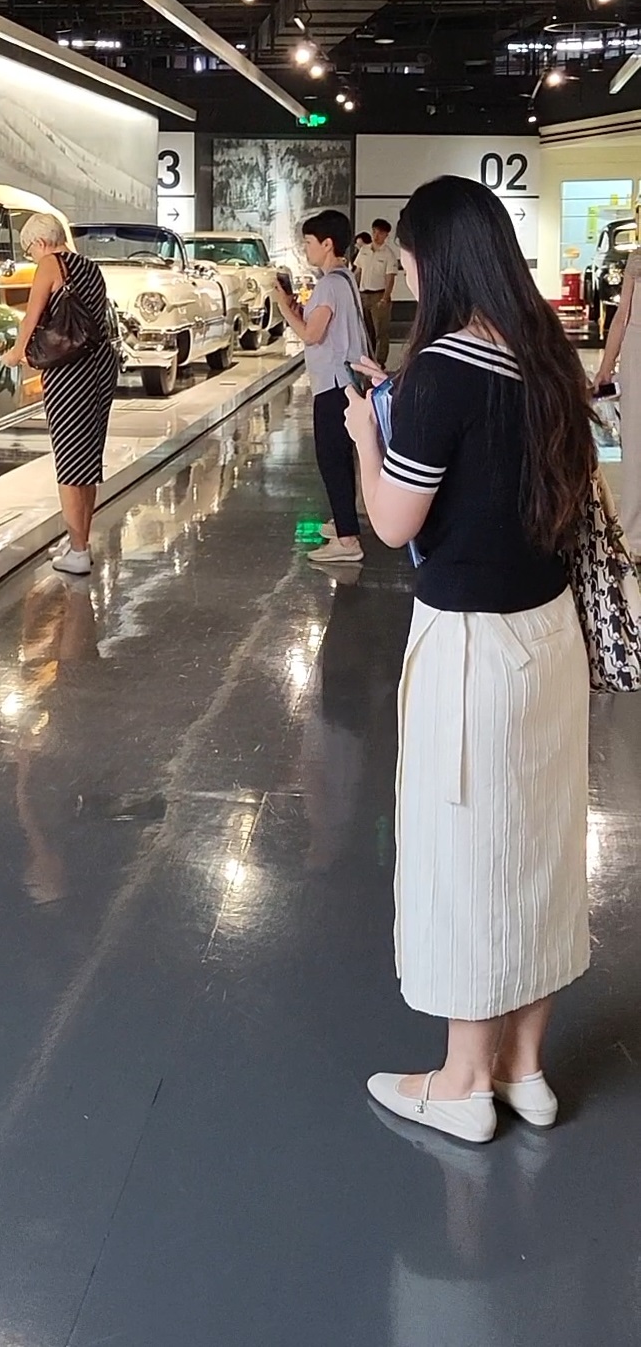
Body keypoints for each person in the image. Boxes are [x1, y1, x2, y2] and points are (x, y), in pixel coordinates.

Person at [344, 175, 594, 1144]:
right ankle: (523, 1068)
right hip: (550, 637)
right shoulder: (547, 358)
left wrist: (368, 437)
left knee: (463, 855)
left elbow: (393, 520)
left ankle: (459, 1084)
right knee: (540, 846)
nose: (406, 273)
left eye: (408, 256)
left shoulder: (444, 370)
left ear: (434, 259)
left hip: (472, 647)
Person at [0, 212, 118, 577]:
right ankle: (79, 540)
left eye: (29, 250)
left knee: (69, 461)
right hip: (100, 366)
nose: (32, 257)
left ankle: (79, 552)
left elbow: (31, 317)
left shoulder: (51, 264)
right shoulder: (90, 267)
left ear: (40, 242)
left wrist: (16, 353)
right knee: (88, 460)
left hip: (70, 372)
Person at [279, 208, 368, 566]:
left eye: (309, 242)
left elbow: (311, 335)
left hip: (333, 384)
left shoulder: (330, 284)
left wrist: (284, 308)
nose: (306, 249)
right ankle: (344, 523)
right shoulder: (345, 279)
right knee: (340, 457)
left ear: (327, 243)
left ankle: (348, 541)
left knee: (332, 459)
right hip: (346, 382)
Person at [595, 223, 641, 556]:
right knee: (635, 442)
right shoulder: (636, 260)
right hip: (636, 352)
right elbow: (621, 316)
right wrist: (606, 367)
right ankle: (634, 536)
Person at [354, 217, 399, 369]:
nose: (376, 236)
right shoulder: (364, 251)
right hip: (363, 295)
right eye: (374, 232)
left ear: (386, 235)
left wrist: (385, 298)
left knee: (381, 331)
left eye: (380, 233)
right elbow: (358, 272)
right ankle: (368, 359)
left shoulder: (388, 255)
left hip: (378, 296)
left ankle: (380, 362)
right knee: (366, 331)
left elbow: (390, 278)